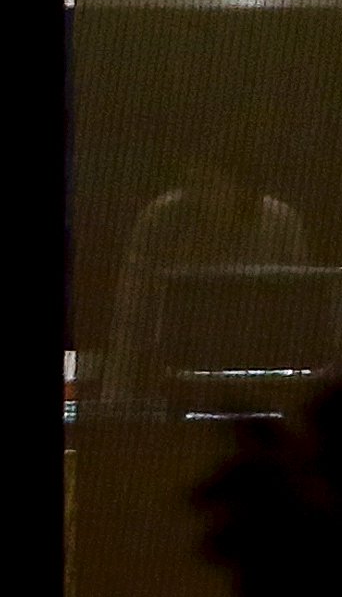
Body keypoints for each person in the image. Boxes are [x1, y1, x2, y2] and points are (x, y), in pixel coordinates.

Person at [102, 137, 310, 410]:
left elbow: (299, 314)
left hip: (257, 376)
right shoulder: (161, 221)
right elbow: (131, 318)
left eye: (209, 185)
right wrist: (116, 403)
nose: (198, 196)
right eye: (193, 184)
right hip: (174, 378)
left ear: (242, 188)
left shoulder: (280, 224)